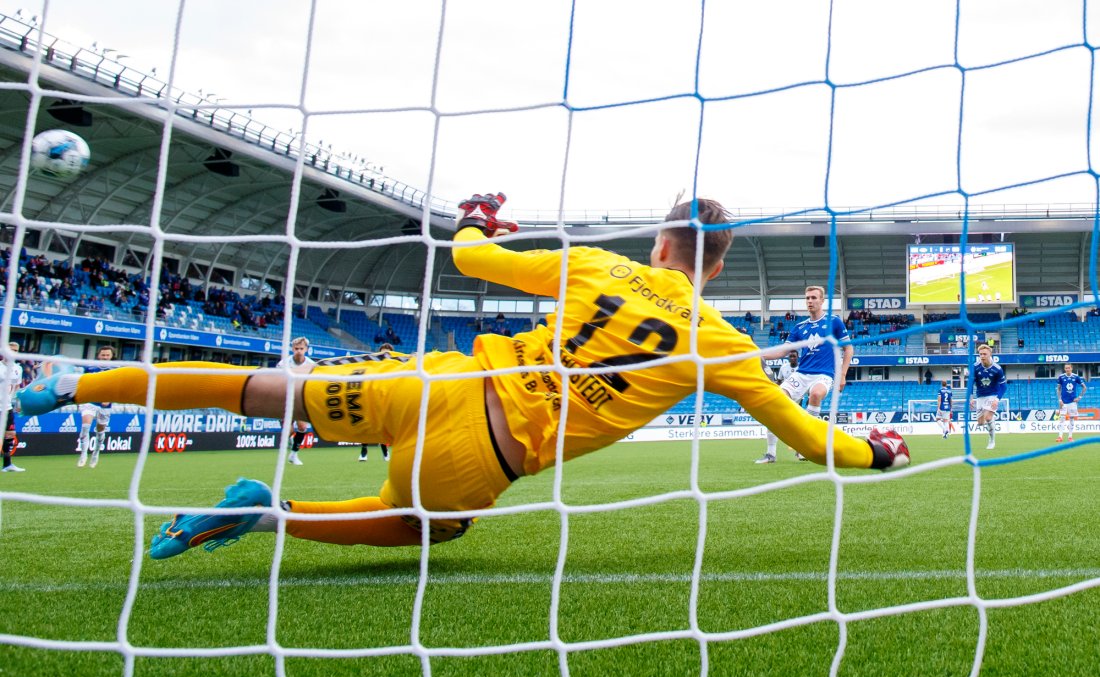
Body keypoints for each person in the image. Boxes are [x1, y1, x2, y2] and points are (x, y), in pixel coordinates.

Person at [16, 193, 910, 560]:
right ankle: (267, 511)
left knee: (252, 389)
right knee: (427, 529)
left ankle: (67, 387)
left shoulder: (597, 265)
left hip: (438, 378)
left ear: (661, 243)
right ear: (712, 266)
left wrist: (481, 216)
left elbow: (471, 258)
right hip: (479, 454)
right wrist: (876, 454)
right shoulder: (719, 341)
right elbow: (805, 436)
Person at [755, 285, 853, 464]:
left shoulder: (834, 321)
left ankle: (804, 448)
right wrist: (758, 354)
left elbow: (849, 348)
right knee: (774, 402)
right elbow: (782, 352)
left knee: (815, 394)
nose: (810, 301)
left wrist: (844, 374)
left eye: (814, 298)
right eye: (807, 298)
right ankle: (770, 454)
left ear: (822, 301)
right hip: (801, 374)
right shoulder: (800, 327)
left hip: (824, 374)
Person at [77, 345, 117, 468]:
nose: (105, 357)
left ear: (111, 356)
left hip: (105, 404)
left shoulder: (116, 369)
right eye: (103, 355)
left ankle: (96, 452)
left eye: (107, 355)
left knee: (100, 431)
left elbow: (118, 387)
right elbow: (83, 383)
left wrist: (109, 398)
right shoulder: (90, 367)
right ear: (98, 355)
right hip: (90, 401)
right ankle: (83, 454)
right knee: (85, 426)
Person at [278, 337, 315, 465]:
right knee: (289, 431)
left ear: (307, 350)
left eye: (301, 349)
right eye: (296, 348)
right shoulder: (284, 364)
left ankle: (294, 455)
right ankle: (289, 442)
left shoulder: (311, 365)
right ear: (292, 349)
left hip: (300, 398)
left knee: (302, 426)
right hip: (286, 399)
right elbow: (277, 380)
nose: (299, 351)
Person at [359, 343, 395, 463]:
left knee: (382, 426)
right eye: (382, 352)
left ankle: (385, 452)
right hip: (371, 398)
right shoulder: (373, 366)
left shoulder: (395, 367)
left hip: (385, 399)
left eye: (387, 353)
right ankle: (363, 452)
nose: (384, 355)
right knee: (366, 424)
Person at [969, 343, 1007, 450]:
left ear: (990, 354)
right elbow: (970, 382)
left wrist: (997, 399)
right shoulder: (975, 367)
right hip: (980, 396)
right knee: (980, 423)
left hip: (992, 395)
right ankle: (991, 420)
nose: (982, 356)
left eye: (984, 354)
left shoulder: (997, 369)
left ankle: (992, 441)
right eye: (980, 354)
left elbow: (1004, 386)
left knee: (988, 417)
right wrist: (971, 397)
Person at [0, 342, 24, 472]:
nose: (13, 352)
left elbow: (16, 388)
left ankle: (7, 464)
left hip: (7, 407)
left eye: (16, 350)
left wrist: (17, 403)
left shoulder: (17, 369)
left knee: (10, 434)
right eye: (11, 350)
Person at [1055, 362, 1087, 443]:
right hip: (1064, 402)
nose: (1067, 369)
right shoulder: (1061, 377)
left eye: (1068, 368)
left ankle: (1070, 437)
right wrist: (1059, 400)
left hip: (1072, 402)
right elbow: (1058, 389)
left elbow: (1084, 387)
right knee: (1062, 419)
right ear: (1064, 369)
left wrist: (1079, 397)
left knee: (1071, 419)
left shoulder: (1076, 377)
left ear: (1071, 368)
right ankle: (1060, 437)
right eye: (1066, 368)